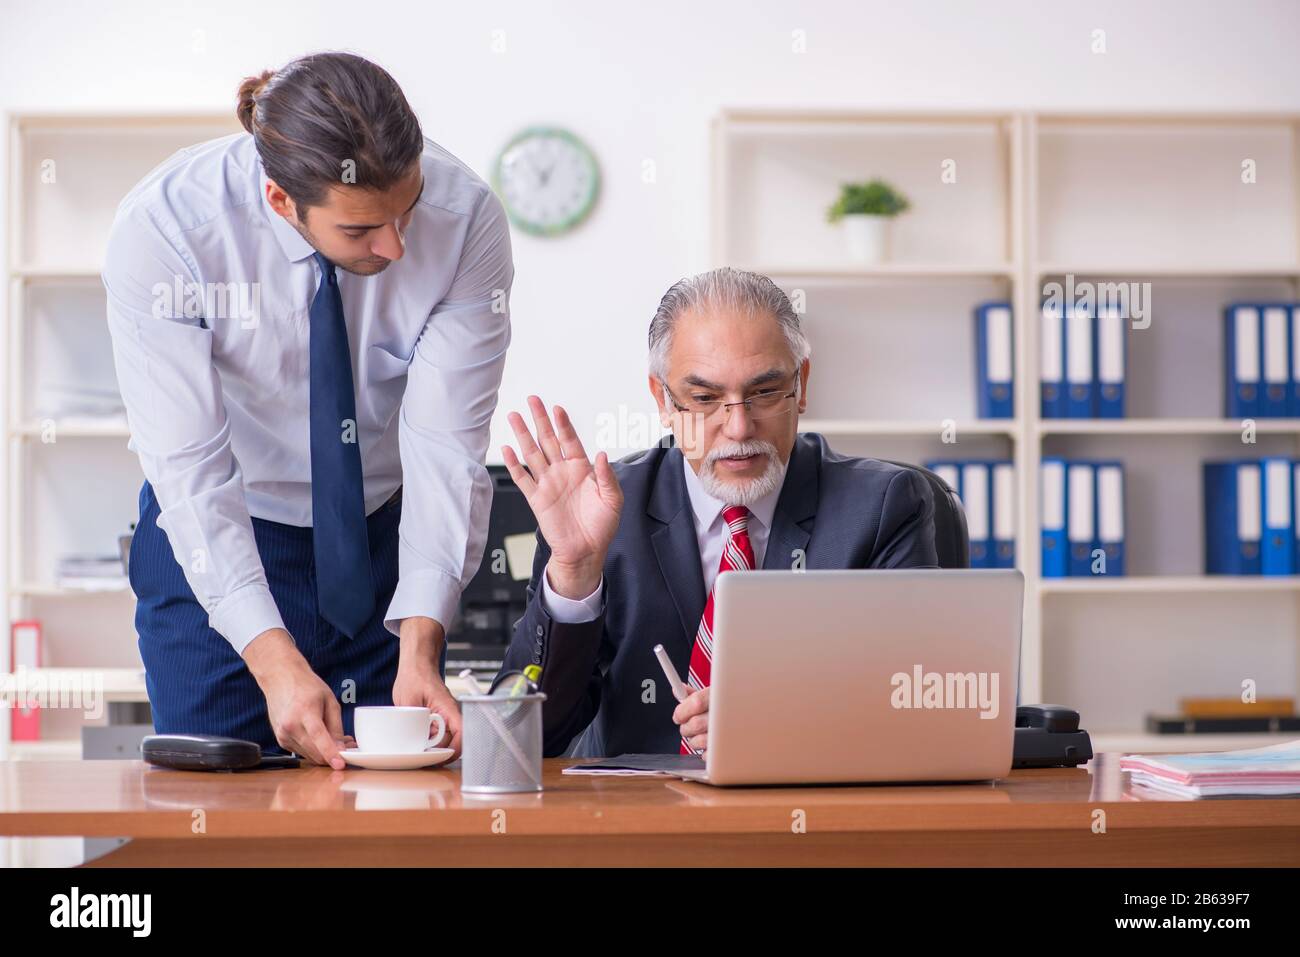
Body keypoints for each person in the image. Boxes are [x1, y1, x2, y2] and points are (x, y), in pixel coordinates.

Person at [104, 52, 513, 768]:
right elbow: (190, 471)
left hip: (380, 536)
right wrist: (272, 659)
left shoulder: (467, 217)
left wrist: (422, 642)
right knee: (221, 805)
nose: (396, 245)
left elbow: (446, 448)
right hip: (224, 534)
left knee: (395, 809)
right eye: (361, 231)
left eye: (406, 209)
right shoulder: (166, 230)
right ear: (281, 201)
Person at [498, 267, 937, 757]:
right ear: (663, 401)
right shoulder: (604, 511)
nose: (739, 426)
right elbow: (520, 740)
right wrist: (575, 573)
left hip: (814, 814)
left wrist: (778, 718)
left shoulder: (882, 506)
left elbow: (918, 706)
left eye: (766, 392)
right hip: (641, 818)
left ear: (802, 385)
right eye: (705, 399)